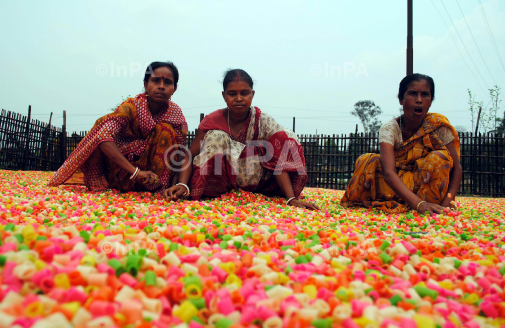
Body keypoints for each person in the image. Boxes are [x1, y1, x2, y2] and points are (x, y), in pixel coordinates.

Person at [163, 69, 319, 210]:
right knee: (216, 136)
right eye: (232, 94)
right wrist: (183, 184)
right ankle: (207, 190)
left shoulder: (263, 121)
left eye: (244, 93)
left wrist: (291, 198)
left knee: (286, 136)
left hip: (260, 181)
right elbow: (189, 155)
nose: (239, 98)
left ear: (252, 94)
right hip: (220, 183)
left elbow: (280, 156)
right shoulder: (212, 120)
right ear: (224, 96)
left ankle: (280, 192)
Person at [48, 61, 188, 192]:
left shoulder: (175, 113)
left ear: (174, 89)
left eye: (168, 82)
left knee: (166, 131)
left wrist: (179, 185)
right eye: (156, 80)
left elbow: (180, 153)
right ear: (146, 85)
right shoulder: (131, 107)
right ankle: (137, 184)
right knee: (164, 130)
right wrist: (136, 172)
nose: (161, 86)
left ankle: (159, 187)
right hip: (125, 172)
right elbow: (103, 136)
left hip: (156, 178)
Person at [340, 73, 462, 214]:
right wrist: (419, 205)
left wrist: (448, 201)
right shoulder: (390, 129)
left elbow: (457, 168)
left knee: (440, 158)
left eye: (425, 95)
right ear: (400, 100)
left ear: (431, 101)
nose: (419, 100)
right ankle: (404, 203)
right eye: (412, 94)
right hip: (393, 187)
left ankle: (429, 205)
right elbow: (389, 173)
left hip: (422, 187)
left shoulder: (438, 127)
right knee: (368, 159)